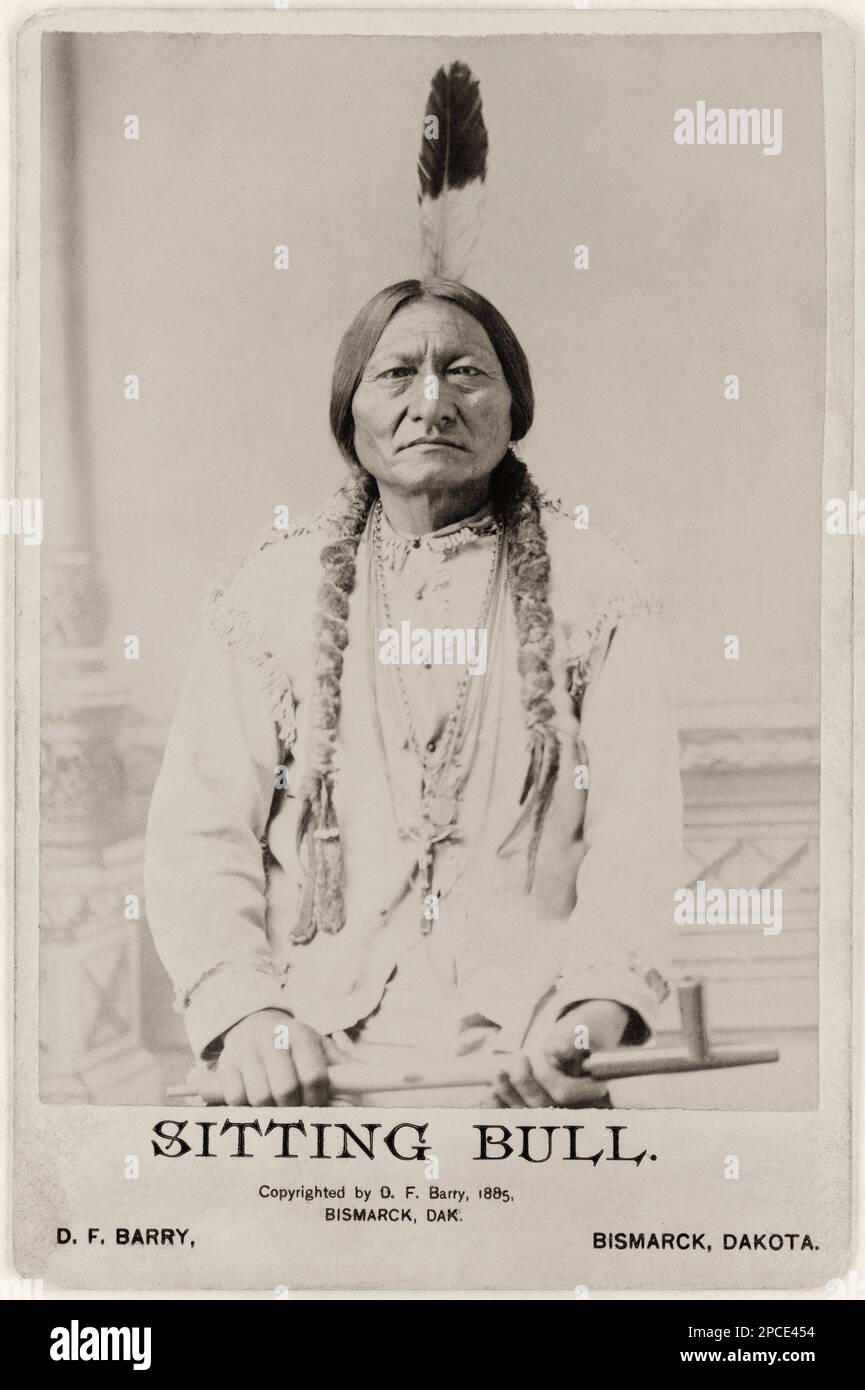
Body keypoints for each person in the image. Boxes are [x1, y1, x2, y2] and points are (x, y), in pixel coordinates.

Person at [144, 277, 684, 1108]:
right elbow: (197, 833)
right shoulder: (268, 597)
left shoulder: (599, 591)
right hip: (308, 1060)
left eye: (465, 372)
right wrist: (250, 1016)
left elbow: (638, 837)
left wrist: (591, 1014)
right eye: (396, 374)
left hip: (533, 1061)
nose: (431, 404)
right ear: (347, 414)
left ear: (513, 410)